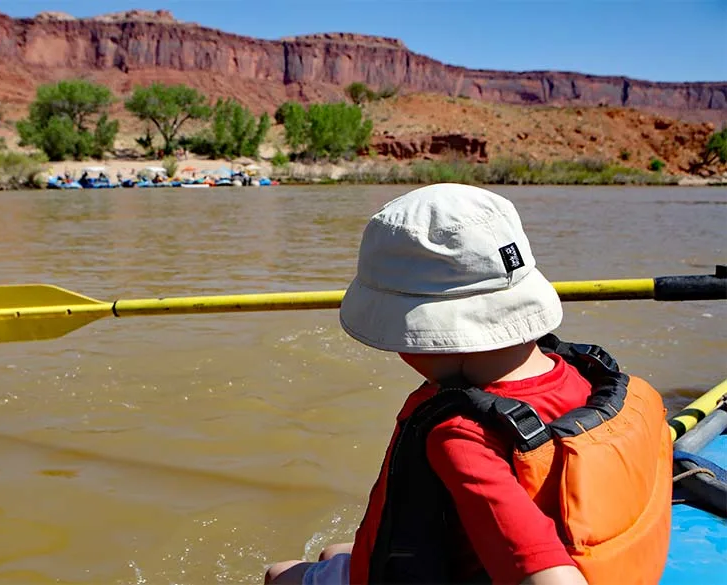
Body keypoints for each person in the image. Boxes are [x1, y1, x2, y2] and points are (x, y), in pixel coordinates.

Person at [264, 184, 672, 585]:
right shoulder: (586, 377)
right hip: (488, 555)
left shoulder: (462, 436)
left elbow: (552, 576)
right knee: (335, 551)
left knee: (279, 573)